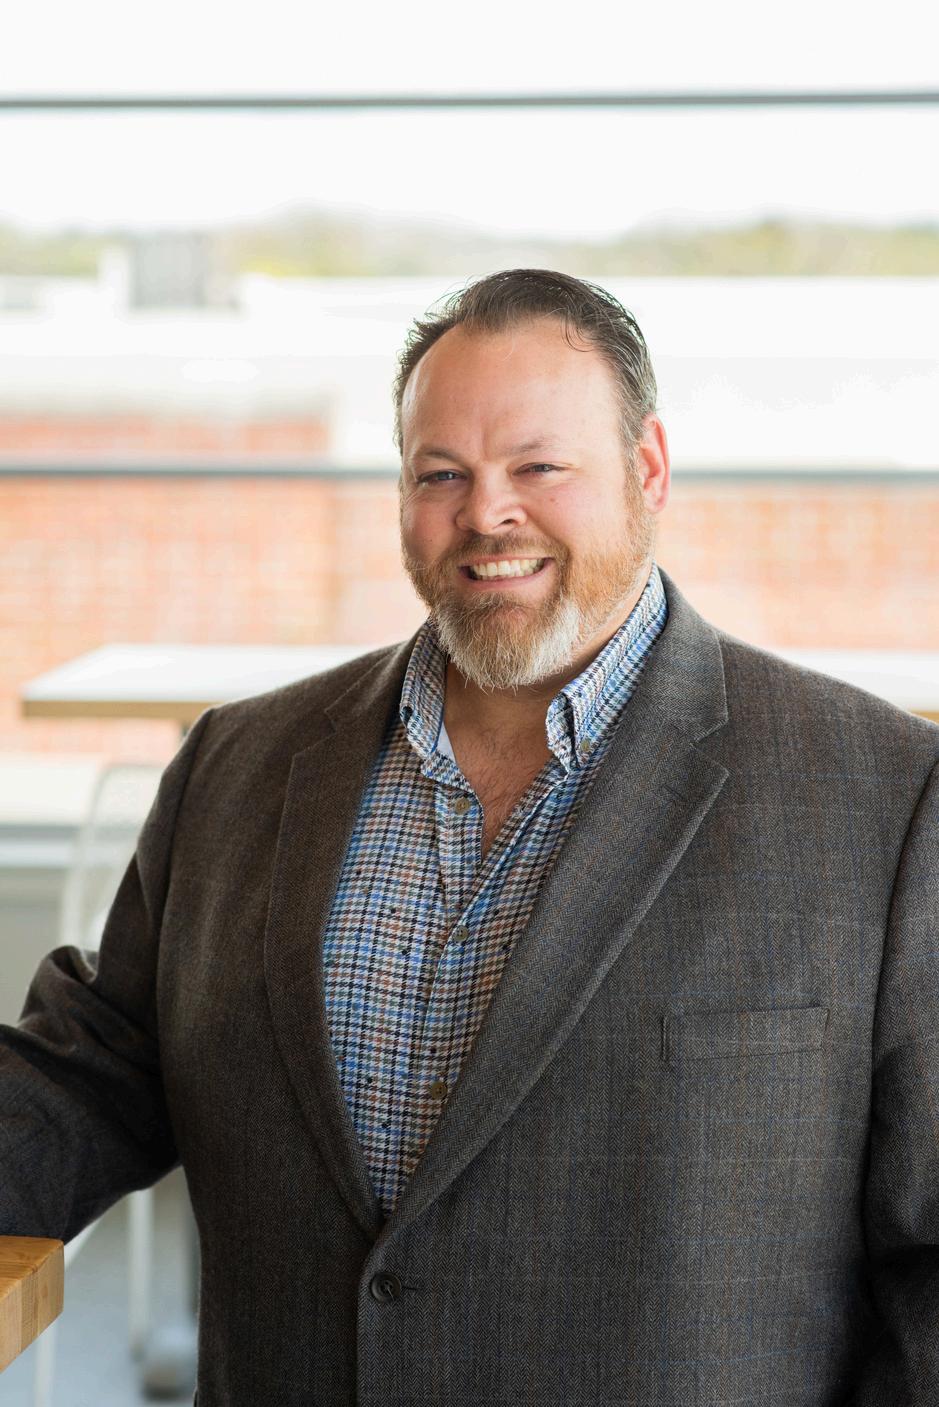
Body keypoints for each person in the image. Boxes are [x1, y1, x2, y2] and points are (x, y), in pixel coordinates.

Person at [2, 268, 937, 1406]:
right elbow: (101, 1067)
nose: (487, 514)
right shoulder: (236, 766)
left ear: (647, 469)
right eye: (440, 473)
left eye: (538, 467)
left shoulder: (884, 799)